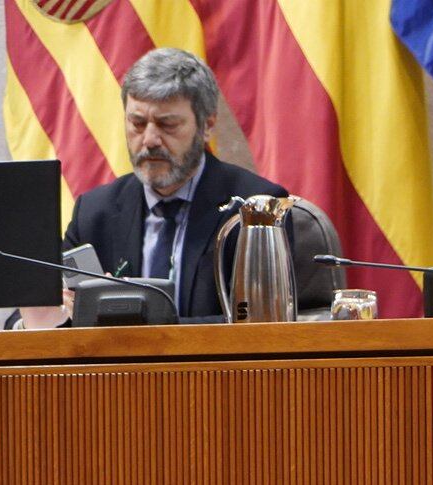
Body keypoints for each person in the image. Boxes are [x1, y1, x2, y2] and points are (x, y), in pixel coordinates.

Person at [19, 48, 288, 327]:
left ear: (207, 126)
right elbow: (34, 318)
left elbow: (262, 322)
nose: (149, 140)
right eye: (137, 124)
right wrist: (45, 317)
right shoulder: (95, 212)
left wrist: (141, 329)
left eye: (167, 124)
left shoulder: (254, 210)